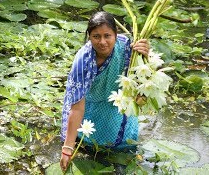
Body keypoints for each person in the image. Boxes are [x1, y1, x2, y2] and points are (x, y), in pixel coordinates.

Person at [60, 11, 149, 172]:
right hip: (89, 107)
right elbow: (77, 107)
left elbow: (140, 84)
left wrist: (145, 57)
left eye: (107, 36)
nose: (102, 42)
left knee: (122, 153)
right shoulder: (83, 61)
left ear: (116, 34)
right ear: (89, 37)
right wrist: (67, 148)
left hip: (116, 103)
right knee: (86, 145)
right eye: (96, 36)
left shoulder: (128, 49)